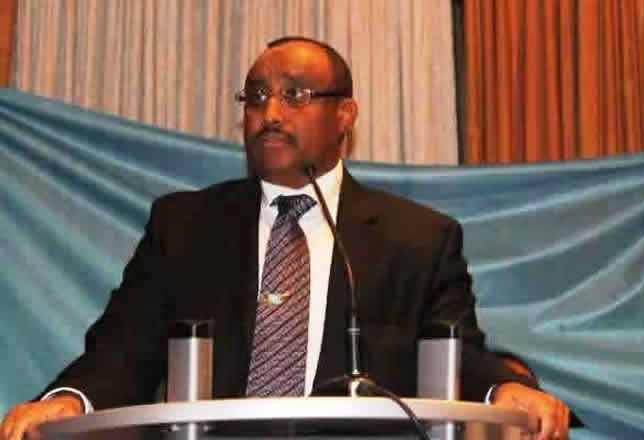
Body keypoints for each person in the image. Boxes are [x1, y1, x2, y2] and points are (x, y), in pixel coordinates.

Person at [1, 37, 570, 440]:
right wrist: (66, 401)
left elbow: (454, 353)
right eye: (255, 97)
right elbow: (124, 349)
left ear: (344, 114)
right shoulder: (185, 225)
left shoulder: (418, 238)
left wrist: (504, 390)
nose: (269, 113)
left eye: (295, 96)